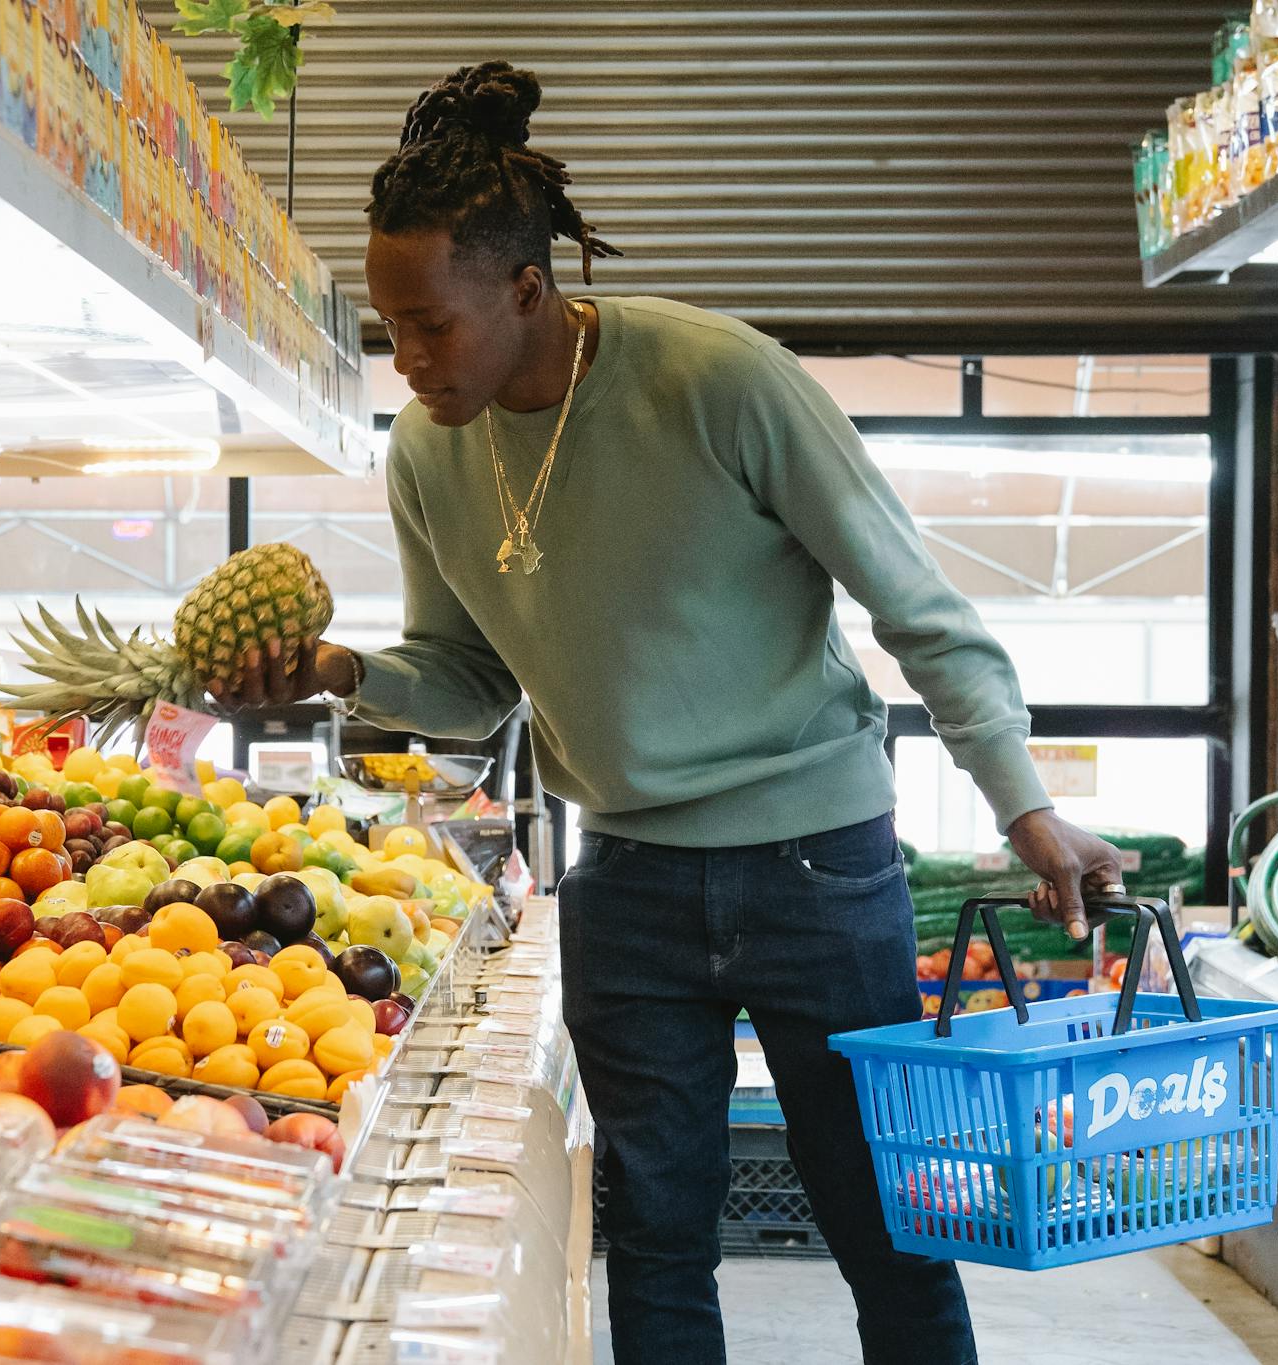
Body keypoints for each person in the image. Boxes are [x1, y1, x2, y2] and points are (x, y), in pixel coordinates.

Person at [213, 60, 1126, 1365]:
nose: (407, 358)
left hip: (817, 866)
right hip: (629, 880)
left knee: (891, 1233)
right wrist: (340, 675)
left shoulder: (720, 383)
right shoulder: (428, 450)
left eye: (433, 324)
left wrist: (1022, 806)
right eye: (389, 327)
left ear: (528, 289)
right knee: (649, 1242)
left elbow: (925, 613)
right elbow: (468, 679)